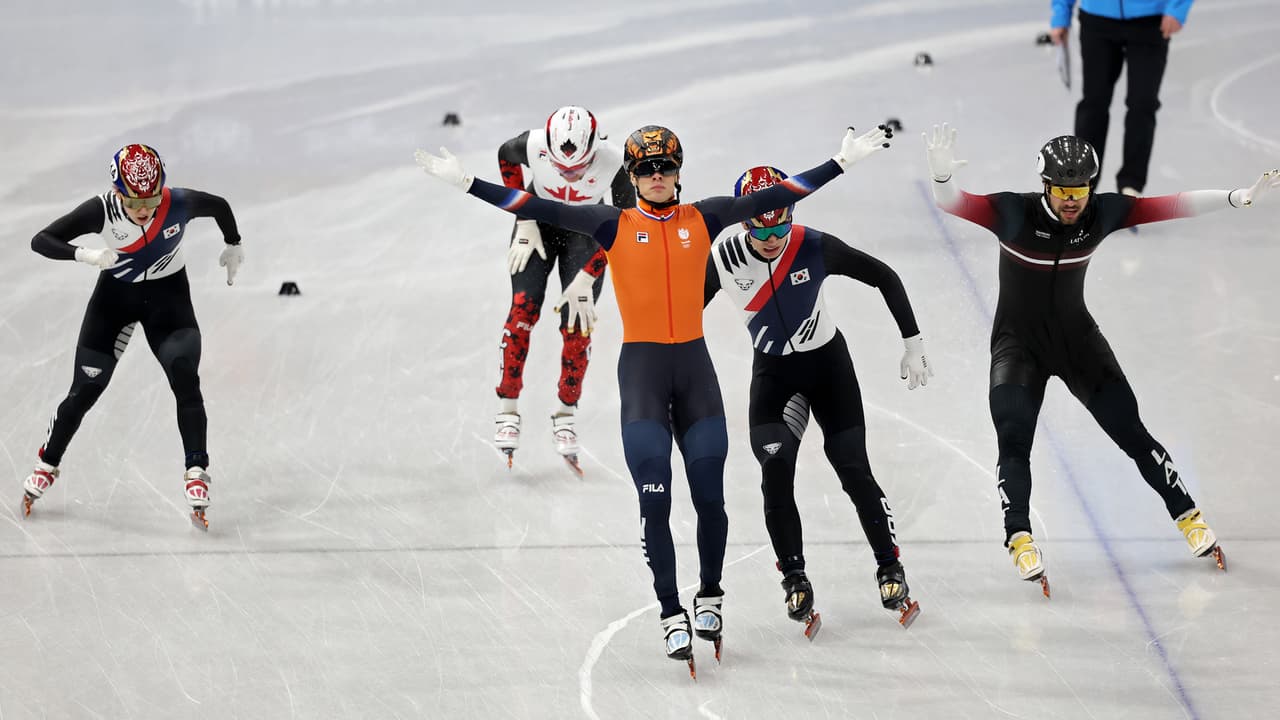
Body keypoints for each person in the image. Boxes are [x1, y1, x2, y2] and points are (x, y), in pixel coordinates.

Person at [417, 123, 892, 671]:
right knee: (655, 501)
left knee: (710, 498)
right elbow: (527, 202)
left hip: (696, 376)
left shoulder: (705, 217)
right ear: (634, 176)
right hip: (642, 378)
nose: (657, 176)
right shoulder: (609, 224)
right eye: (646, 169)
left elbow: (779, 196)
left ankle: (710, 596)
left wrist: (842, 161)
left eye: (665, 167)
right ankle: (670, 612)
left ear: (678, 172)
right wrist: (465, 182)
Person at [923, 123, 1278, 591]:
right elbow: (952, 204)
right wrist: (944, 178)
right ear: (1045, 186)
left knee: (1130, 430)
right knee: (1013, 437)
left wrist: (1236, 197)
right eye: (1064, 190)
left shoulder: (1104, 212)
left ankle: (1187, 515)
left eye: (1082, 190)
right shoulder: (1012, 212)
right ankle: (1020, 537)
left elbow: (1169, 206)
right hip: (1018, 346)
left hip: (1077, 343)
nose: (1073, 200)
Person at [704, 166, 931, 635]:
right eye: (760, 227)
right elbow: (680, 316)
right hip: (773, 377)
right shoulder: (722, 259)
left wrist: (914, 342)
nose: (771, 237)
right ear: (742, 221)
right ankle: (794, 576)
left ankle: (890, 566)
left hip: (828, 368)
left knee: (850, 463)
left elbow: (883, 275)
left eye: (780, 225)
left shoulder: (813, 244)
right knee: (776, 468)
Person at [22, 143, 245, 531]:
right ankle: (47, 462)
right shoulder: (100, 210)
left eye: (152, 199)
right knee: (85, 391)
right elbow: (41, 240)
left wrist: (234, 243)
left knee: (185, 378)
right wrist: (85, 255)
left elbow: (221, 205)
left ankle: (197, 470)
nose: (144, 209)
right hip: (114, 302)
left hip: (169, 301)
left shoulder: (180, 202)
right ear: (117, 192)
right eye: (133, 201)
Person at [492, 106, 635, 470]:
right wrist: (522, 217)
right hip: (536, 225)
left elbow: (623, 227)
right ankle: (508, 408)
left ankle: (566, 414)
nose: (568, 174)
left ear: (595, 151)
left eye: (576, 169)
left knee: (578, 325)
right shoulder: (533, 144)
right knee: (521, 312)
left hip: (586, 237)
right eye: (560, 168)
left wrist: (589, 274)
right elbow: (504, 156)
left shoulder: (616, 162)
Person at [1049, 0, 1194, 196]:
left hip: (1150, 21)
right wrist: (1061, 14)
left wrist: (1177, 8)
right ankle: (1081, 183)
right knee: (1094, 103)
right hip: (1097, 20)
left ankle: (1131, 186)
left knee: (1142, 103)